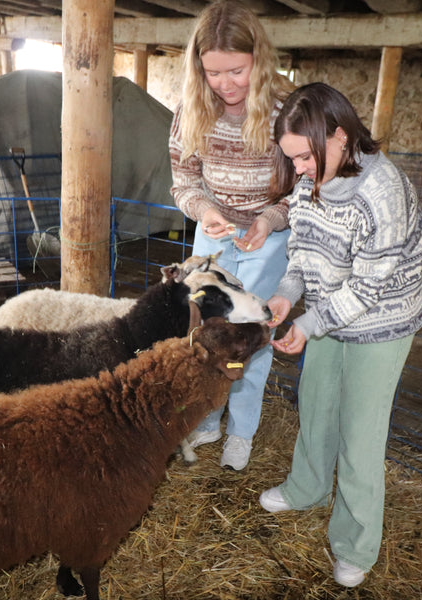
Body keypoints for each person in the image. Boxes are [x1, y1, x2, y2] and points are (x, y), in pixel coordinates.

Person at [259, 82, 422, 588]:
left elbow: (368, 287)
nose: (298, 169)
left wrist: (308, 323)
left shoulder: (383, 190)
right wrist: (286, 295)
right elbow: (303, 248)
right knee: (316, 403)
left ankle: (356, 542)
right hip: (328, 310)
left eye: (304, 156)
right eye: (291, 158)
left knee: (361, 433)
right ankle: (307, 488)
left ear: (339, 136)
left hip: (380, 323)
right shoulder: (312, 178)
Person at [168, 0, 294, 471]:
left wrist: (270, 219)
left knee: (251, 332)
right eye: (213, 73)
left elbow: (306, 187)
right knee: (204, 328)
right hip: (214, 236)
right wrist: (204, 211)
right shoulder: (192, 109)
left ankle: (241, 432)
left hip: (268, 238)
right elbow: (184, 180)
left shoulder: (285, 109)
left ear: (258, 59)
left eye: (237, 71)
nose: (225, 84)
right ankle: (207, 417)